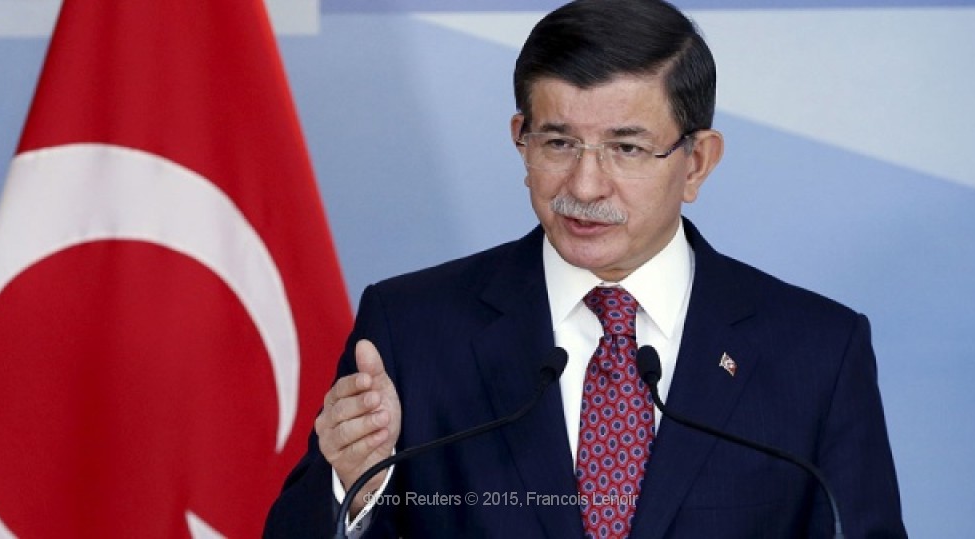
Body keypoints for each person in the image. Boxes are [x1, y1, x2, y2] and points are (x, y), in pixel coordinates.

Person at [264, 0, 907, 537]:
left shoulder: (816, 351)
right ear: (521, 139)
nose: (585, 185)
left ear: (697, 162)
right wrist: (351, 487)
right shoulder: (413, 329)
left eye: (626, 148)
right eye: (559, 143)